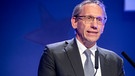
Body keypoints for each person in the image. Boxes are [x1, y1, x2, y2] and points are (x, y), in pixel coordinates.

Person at [38, 0, 125, 76]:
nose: (94, 25)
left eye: (99, 19)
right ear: (74, 22)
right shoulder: (53, 54)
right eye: (89, 18)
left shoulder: (115, 61)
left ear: (103, 26)